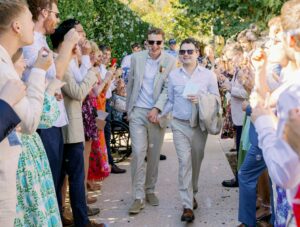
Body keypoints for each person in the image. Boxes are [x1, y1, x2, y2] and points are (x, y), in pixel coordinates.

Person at [0, 0, 52, 225]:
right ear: (17, 26)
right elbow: (30, 123)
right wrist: (39, 72)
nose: (34, 24)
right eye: (30, 19)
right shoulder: (3, 70)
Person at [50, 19, 105, 227]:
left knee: (71, 177)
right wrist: (92, 71)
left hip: (71, 126)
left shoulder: (70, 60)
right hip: (67, 129)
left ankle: (77, 218)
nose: (81, 39)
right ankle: (79, 221)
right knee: (73, 177)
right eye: (77, 35)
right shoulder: (59, 60)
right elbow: (78, 92)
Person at [24, 0, 78, 203]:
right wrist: (68, 45)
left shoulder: (40, 40)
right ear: (44, 13)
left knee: (55, 178)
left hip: (52, 119)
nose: (57, 20)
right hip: (42, 123)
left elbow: (49, 81)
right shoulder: (31, 44)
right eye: (55, 14)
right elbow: (53, 77)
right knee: (49, 182)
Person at [161, 38, 220, 222]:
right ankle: (187, 205)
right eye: (182, 52)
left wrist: (201, 98)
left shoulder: (208, 75)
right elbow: (170, 100)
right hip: (179, 124)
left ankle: (192, 191)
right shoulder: (173, 76)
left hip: (199, 127)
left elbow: (217, 99)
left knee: (195, 162)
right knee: (184, 163)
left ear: (197, 53)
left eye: (190, 51)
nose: (185, 55)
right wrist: (159, 113)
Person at [126, 27, 176, 214]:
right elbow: (131, 83)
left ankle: (150, 190)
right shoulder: (136, 58)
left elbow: (167, 88)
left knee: (153, 155)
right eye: (151, 42)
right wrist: (129, 110)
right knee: (138, 152)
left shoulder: (170, 61)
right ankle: (138, 197)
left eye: (158, 42)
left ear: (163, 43)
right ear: (146, 42)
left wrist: (157, 108)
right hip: (138, 111)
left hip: (157, 113)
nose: (154, 45)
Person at [99, 44, 126, 174]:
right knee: (102, 133)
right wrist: (113, 78)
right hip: (101, 105)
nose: (106, 57)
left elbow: (109, 89)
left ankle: (107, 162)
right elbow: (102, 89)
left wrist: (115, 81)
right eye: (104, 54)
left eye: (108, 55)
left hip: (106, 103)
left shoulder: (104, 69)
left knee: (105, 133)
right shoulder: (98, 69)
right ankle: (107, 163)